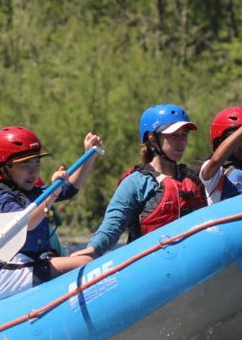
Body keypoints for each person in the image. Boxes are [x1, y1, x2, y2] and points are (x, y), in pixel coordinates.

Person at [0, 127, 102, 300]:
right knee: (86, 262)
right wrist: (53, 192)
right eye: (25, 165)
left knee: (87, 256)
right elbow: (27, 222)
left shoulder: (32, 193)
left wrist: (90, 154)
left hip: (29, 265)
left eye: (36, 164)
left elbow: (70, 188)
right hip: (7, 274)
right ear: (4, 168)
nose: (33, 172)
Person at [82, 104, 206, 257]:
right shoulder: (136, 182)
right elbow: (112, 227)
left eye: (184, 134)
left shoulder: (193, 180)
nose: (181, 141)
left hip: (192, 260)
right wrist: (92, 250)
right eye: (173, 135)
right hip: (150, 264)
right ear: (153, 139)